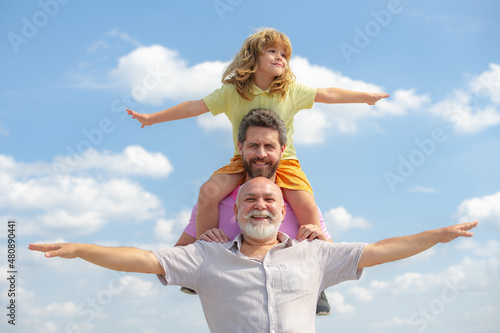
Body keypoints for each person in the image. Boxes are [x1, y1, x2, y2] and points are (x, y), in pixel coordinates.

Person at [29, 177, 478, 333]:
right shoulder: (205, 258)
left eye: (268, 200)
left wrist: (437, 235)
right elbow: (141, 258)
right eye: (249, 200)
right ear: (237, 210)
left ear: (282, 211)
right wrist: (81, 249)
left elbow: (380, 250)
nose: (259, 205)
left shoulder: (313, 255)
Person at [126, 27, 390, 243]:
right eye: (272, 51)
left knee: (306, 204)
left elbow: (329, 94)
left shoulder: (291, 90)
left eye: (284, 54)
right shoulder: (232, 92)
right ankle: (204, 254)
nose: (280, 58)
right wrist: (152, 118)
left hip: (284, 161)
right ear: (253, 57)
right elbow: (195, 106)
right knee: (208, 192)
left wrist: (365, 97)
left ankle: (319, 277)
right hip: (243, 160)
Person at [174, 108, 333, 315]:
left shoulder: (299, 202)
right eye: (253, 146)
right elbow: (175, 259)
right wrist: (201, 250)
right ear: (240, 147)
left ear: (282, 150)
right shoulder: (215, 202)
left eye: (269, 146)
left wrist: (324, 247)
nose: (261, 154)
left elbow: (336, 261)